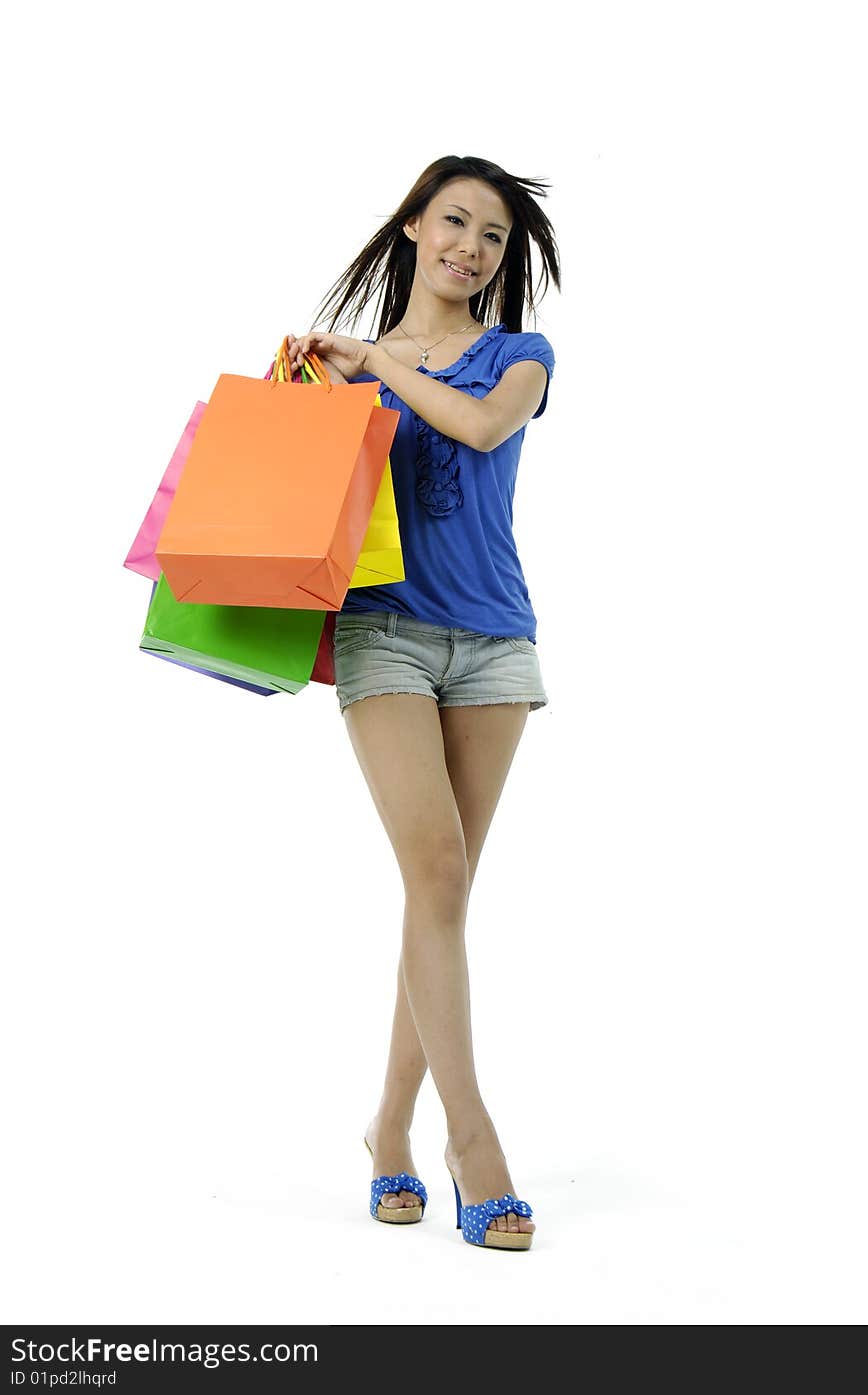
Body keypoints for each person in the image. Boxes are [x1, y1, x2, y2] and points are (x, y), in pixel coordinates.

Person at [286, 155, 561, 1251]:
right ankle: (474, 1145)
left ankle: (388, 1130)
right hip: (383, 629)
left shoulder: (520, 357)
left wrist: (379, 368)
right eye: (454, 221)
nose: (470, 247)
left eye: (492, 236)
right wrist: (322, 380)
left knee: (436, 899)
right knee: (435, 874)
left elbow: (483, 428)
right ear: (411, 225)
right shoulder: (344, 368)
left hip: (494, 640)